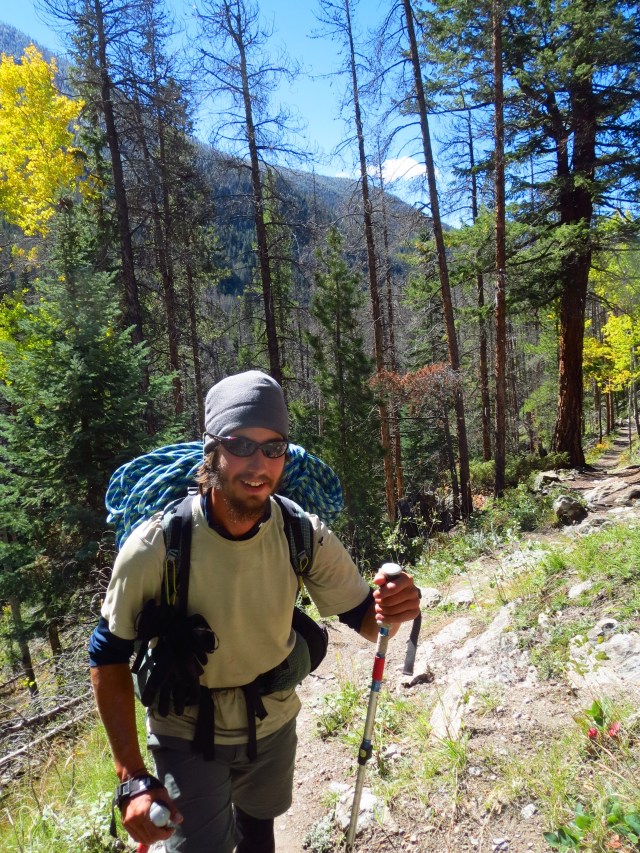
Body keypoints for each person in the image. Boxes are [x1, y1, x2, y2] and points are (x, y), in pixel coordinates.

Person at [89, 370, 421, 853]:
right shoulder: (158, 546)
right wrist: (132, 778)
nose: (259, 463)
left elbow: (363, 618)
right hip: (186, 732)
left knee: (259, 834)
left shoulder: (301, 533)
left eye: (273, 447)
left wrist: (395, 605)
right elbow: (107, 654)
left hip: (273, 722)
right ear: (212, 449)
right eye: (241, 444)